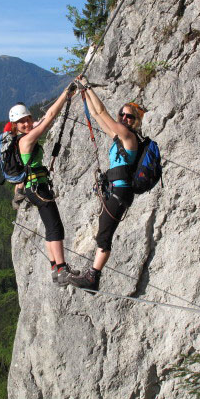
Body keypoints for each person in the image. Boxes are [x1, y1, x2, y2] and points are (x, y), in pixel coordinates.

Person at [68, 78, 145, 291]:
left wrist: (89, 87)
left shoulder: (129, 136)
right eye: (122, 114)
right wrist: (85, 95)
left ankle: (93, 277)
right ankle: (93, 275)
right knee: (103, 230)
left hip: (120, 191)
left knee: (104, 234)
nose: (124, 118)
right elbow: (95, 114)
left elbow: (102, 113)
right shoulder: (118, 137)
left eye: (129, 116)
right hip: (115, 190)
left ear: (135, 121)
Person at [9, 86, 79, 286]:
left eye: (27, 119)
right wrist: (66, 93)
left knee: (51, 228)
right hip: (38, 189)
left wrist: (18, 192)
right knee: (56, 229)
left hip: (33, 189)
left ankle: (56, 270)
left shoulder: (18, 139)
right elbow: (49, 117)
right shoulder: (27, 139)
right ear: (15, 125)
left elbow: (42, 121)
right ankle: (62, 270)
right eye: (21, 122)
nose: (26, 123)